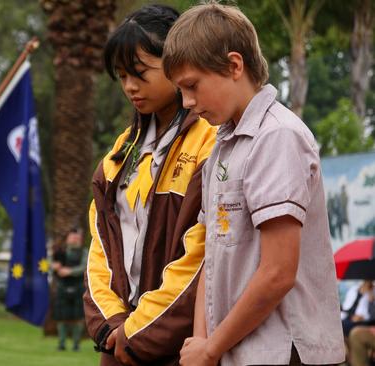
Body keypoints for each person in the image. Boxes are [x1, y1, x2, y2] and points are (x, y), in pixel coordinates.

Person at [163, 4, 345, 365]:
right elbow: (211, 257)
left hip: (285, 353)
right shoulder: (221, 146)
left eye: (192, 86)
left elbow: (278, 273)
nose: (188, 103)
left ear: (234, 65)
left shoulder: (277, 136)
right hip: (236, 352)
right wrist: (201, 341)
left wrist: (211, 348)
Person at [84, 4, 217, 365]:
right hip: (120, 344)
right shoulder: (118, 154)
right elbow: (100, 251)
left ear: (176, 64)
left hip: (180, 345)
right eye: (122, 75)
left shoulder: (211, 141)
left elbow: (201, 255)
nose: (129, 87)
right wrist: (111, 324)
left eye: (140, 73)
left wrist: (140, 330)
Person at [52, 227, 87, 352]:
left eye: (77, 237)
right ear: (67, 238)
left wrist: (70, 271)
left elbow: (84, 266)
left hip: (78, 287)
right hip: (62, 287)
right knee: (61, 316)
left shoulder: (84, 252)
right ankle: (61, 344)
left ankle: (76, 344)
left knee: (78, 317)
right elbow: (52, 265)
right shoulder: (60, 252)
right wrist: (55, 267)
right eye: (72, 236)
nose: (75, 239)